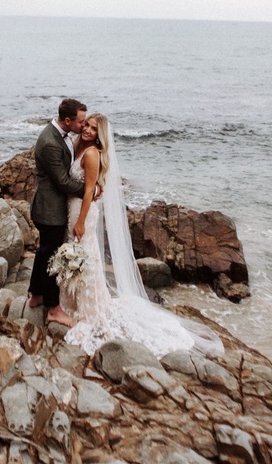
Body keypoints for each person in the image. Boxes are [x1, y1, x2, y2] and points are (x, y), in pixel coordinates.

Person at [58, 113, 224, 357]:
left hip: (83, 213)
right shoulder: (80, 148)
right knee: (80, 254)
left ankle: (89, 309)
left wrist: (81, 221)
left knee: (85, 256)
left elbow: (89, 190)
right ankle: (73, 301)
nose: (88, 131)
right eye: (87, 126)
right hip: (74, 209)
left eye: (94, 129)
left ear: (100, 135)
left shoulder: (92, 153)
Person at [28, 98, 88, 326]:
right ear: (67, 120)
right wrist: (90, 190)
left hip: (50, 206)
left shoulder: (61, 136)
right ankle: (53, 308)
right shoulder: (50, 143)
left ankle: (35, 295)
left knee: (44, 252)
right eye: (81, 122)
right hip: (49, 209)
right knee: (53, 257)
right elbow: (63, 182)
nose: (83, 125)